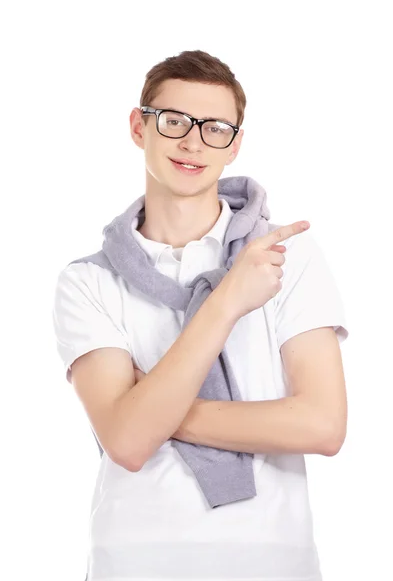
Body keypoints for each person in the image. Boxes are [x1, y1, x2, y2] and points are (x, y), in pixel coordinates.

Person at [52, 49, 349, 581]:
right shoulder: (88, 281)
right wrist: (227, 301)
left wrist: (149, 411)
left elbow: (323, 426)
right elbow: (126, 446)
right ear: (138, 128)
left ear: (234, 145)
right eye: (173, 122)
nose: (193, 142)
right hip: (135, 561)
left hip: (272, 560)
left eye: (215, 128)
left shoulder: (286, 258)